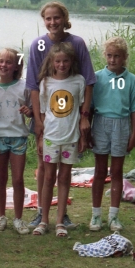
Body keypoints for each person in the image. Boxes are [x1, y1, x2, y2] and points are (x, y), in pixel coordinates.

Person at [26, 1, 95, 230]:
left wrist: (85, 116)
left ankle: (61, 217)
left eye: (57, 18)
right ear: (44, 20)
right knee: (45, 171)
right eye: (48, 18)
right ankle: (41, 215)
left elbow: (88, 82)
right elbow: (35, 88)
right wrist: (37, 121)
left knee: (64, 173)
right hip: (47, 118)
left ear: (65, 19)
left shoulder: (77, 43)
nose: (53, 22)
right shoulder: (37, 45)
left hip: (71, 119)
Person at [90, 37, 135, 232]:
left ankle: (113, 216)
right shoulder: (96, 77)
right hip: (100, 123)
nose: (112, 60)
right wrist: (87, 131)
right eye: (109, 56)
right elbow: (88, 108)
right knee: (99, 171)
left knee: (116, 171)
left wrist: (133, 133)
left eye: (117, 56)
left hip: (121, 125)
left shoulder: (131, 80)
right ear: (105, 56)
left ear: (124, 58)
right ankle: (96, 215)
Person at [33, 43, 85, 237]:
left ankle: (60, 221)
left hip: (70, 137)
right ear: (52, 63)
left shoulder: (78, 81)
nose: (62, 64)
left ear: (71, 62)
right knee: (48, 177)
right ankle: (44, 219)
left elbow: (80, 112)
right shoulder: (45, 83)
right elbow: (43, 113)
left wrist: (82, 136)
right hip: (50, 138)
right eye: (58, 61)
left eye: (65, 61)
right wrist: (40, 138)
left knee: (64, 178)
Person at [0, 48, 32, 234]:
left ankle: (18, 218)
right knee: (0, 178)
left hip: (18, 136)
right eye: (1, 61)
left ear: (16, 66)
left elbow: (32, 109)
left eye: (8, 62)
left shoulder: (23, 87)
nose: (3, 65)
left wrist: (28, 111)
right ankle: (1, 216)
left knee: (17, 179)